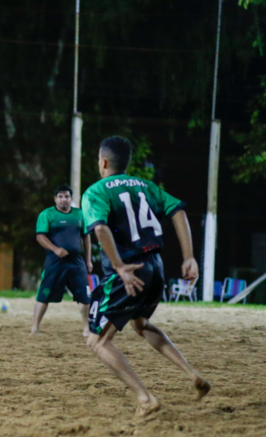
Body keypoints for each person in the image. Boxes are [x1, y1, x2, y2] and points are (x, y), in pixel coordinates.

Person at [81, 136, 211, 416]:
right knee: (140, 324)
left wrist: (117, 266)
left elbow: (100, 230)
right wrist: (189, 257)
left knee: (97, 341)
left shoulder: (96, 191)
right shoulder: (146, 186)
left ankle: (145, 398)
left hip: (129, 271)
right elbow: (178, 211)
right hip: (156, 267)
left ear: (103, 161)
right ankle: (193, 376)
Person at [32, 185, 93, 336]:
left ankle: (87, 329)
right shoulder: (47, 214)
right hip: (55, 262)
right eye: (60, 196)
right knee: (44, 295)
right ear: (55, 199)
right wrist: (55, 249)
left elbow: (86, 237)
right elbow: (40, 236)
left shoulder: (80, 214)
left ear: (71, 198)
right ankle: (35, 329)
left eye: (66, 196)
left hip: (77, 262)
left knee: (84, 296)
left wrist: (88, 260)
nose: (63, 199)